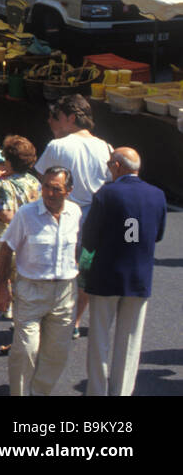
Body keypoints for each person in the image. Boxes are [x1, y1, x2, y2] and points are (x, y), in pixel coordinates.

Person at [82, 147, 166, 396]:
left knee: (99, 340)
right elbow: (158, 235)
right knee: (130, 341)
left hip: (106, 275)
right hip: (139, 277)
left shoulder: (106, 194)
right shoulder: (157, 195)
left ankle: (97, 391)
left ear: (117, 166)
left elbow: (89, 239)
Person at [0, 167, 81, 396]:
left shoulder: (75, 213)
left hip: (64, 292)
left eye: (56, 189)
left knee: (56, 354)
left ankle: (39, 393)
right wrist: (2, 287)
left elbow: (78, 247)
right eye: (45, 186)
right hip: (31, 291)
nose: (49, 193)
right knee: (26, 351)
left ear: (69, 191)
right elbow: (5, 250)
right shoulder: (26, 214)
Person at [34, 93, 112, 336]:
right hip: (97, 218)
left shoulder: (57, 146)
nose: (51, 122)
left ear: (70, 117)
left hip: (64, 216)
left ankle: (52, 317)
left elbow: (42, 182)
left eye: (56, 117)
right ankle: (74, 322)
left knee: (55, 268)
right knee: (84, 271)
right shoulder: (106, 147)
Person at [0, 135, 42, 225]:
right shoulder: (33, 179)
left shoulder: (5, 184)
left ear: (9, 161)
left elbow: (7, 216)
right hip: (35, 226)